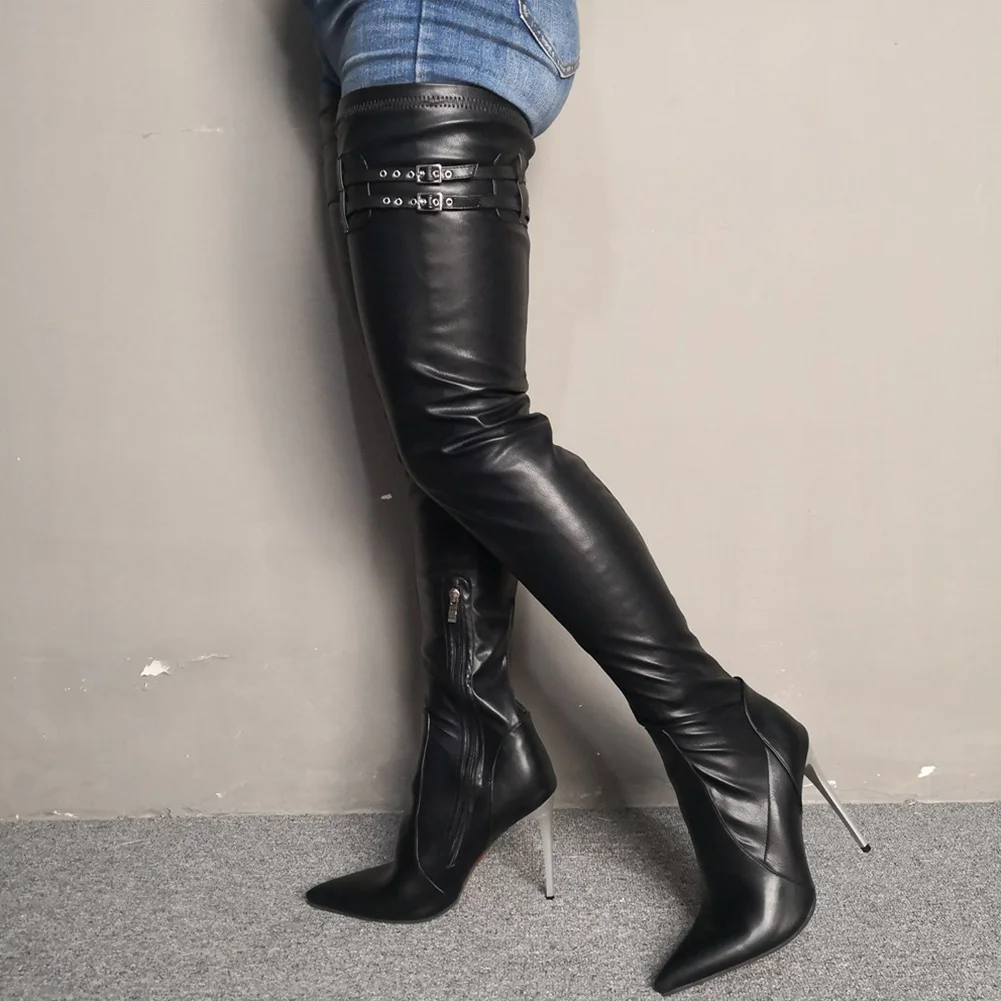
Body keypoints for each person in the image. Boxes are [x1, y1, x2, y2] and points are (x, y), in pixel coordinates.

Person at [298, 1, 870, 995]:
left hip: (429, 19)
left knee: (464, 431)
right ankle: (470, 743)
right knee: (443, 443)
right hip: (385, 34)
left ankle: (726, 738)